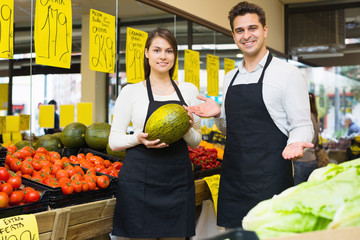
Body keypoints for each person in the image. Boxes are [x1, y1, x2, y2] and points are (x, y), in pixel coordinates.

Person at [189, 1, 314, 228]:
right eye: (240, 30)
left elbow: (303, 125)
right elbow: (229, 129)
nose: (246, 35)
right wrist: (218, 115)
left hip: (271, 180)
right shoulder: (230, 77)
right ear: (234, 35)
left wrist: (296, 143)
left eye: (252, 28)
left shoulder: (288, 74)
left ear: (265, 30)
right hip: (234, 180)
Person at [108, 28, 202, 239]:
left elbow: (196, 142)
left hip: (177, 181)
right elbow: (114, 141)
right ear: (146, 53)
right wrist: (138, 138)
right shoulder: (130, 91)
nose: (163, 56)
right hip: (139, 181)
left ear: (175, 56)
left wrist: (186, 128)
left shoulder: (188, 90)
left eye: (169, 51)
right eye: (157, 50)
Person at [293, 93, 319, 185]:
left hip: (302, 160)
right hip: (313, 159)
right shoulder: (315, 117)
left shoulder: (305, 118)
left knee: (297, 191)